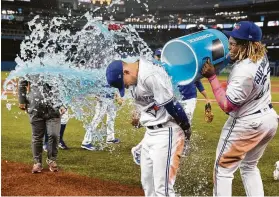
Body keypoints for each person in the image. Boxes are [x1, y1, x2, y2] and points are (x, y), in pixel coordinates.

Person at [201, 21, 278, 196]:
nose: (230, 46)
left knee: (223, 170)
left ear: (246, 45)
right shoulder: (260, 55)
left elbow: (227, 106)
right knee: (249, 167)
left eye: (234, 44)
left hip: (248, 123)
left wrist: (212, 77)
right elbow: (233, 57)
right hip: (269, 120)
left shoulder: (243, 72)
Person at [106, 58, 190, 196]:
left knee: (163, 189)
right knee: (148, 184)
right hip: (150, 134)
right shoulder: (136, 76)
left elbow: (171, 105)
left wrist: (186, 127)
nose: (125, 87)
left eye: (123, 84)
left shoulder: (150, 75)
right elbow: (155, 103)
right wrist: (140, 114)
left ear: (126, 72)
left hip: (166, 132)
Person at [18, 76, 66, 173]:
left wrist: (63, 104)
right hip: (35, 107)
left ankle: (51, 160)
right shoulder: (30, 63)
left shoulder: (57, 65)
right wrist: (22, 101)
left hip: (54, 108)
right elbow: (22, 83)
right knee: (37, 137)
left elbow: (64, 86)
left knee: (54, 134)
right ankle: (37, 162)